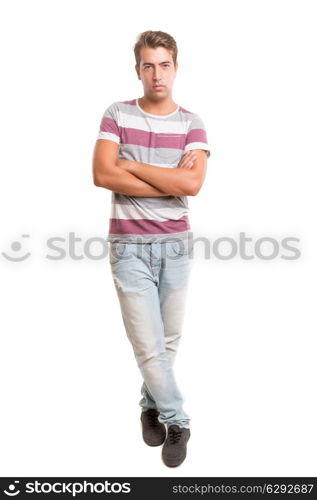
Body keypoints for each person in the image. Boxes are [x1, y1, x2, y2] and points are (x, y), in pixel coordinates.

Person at [92, 30, 211, 467]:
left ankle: (149, 406)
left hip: (175, 246)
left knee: (168, 341)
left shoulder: (191, 123)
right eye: (148, 65)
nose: (156, 74)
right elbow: (103, 175)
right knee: (148, 345)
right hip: (129, 247)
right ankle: (178, 419)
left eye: (164, 64)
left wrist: (131, 164)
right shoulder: (117, 114)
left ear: (175, 68)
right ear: (138, 69)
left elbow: (193, 184)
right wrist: (166, 178)